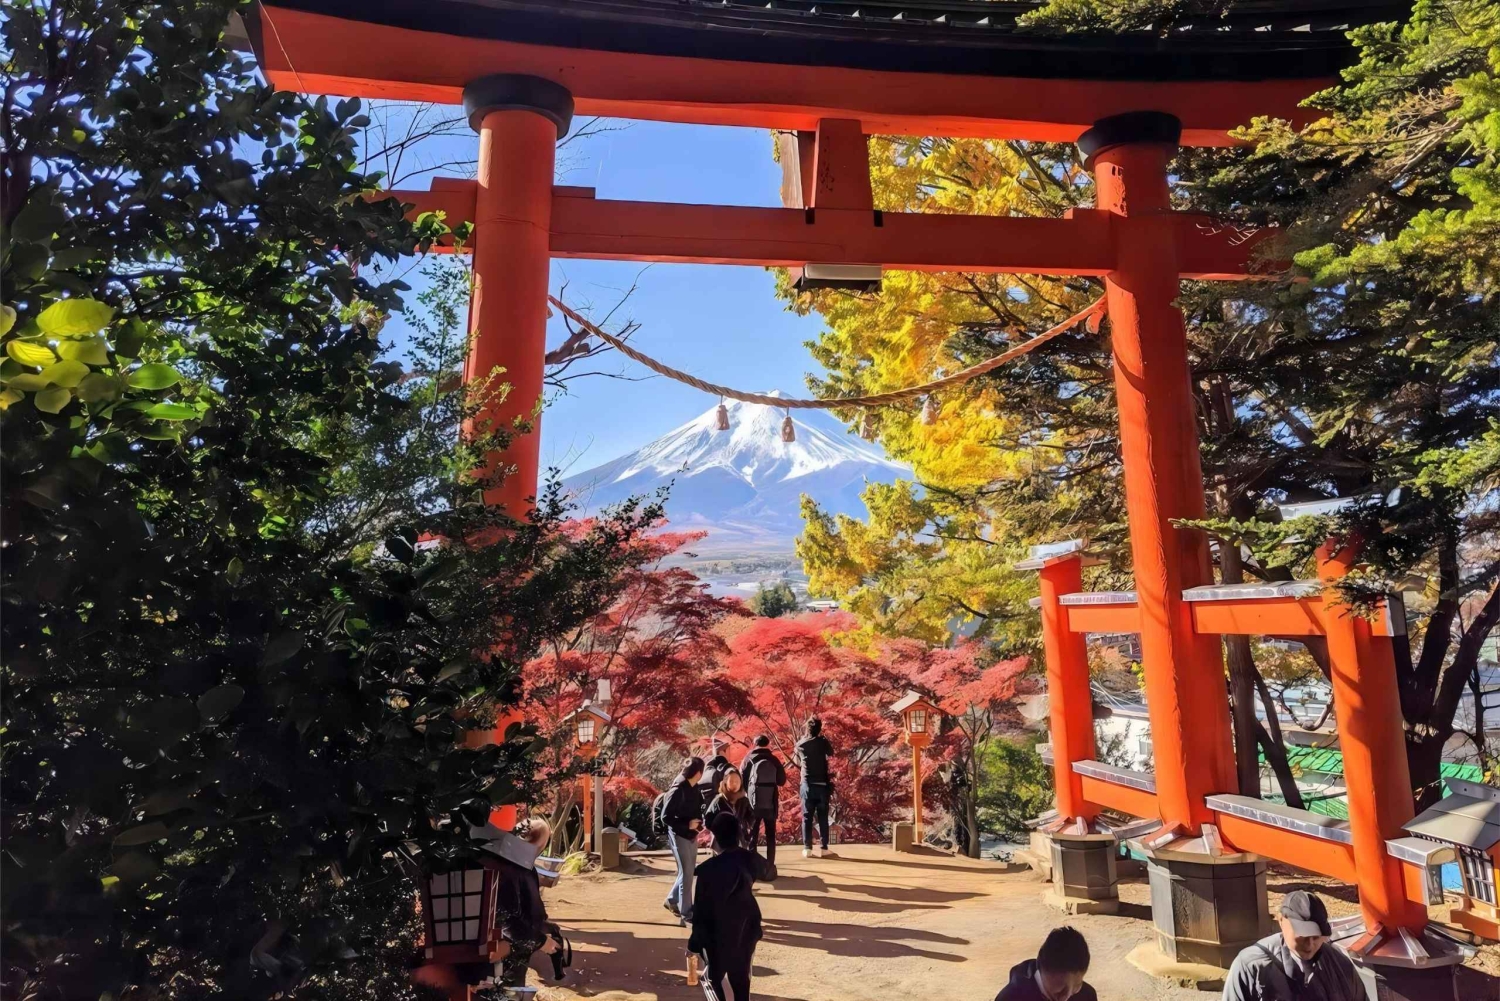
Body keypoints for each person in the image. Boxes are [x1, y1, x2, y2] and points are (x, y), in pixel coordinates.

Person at [689, 812, 772, 1001]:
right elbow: (769, 871)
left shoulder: (708, 870)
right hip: (747, 927)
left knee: (710, 979)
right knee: (740, 979)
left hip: (719, 933)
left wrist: (694, 945)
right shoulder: (749, 859)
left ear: (716, 837)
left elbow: (701, 912)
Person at [1223, 891, 1363, 1001]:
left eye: (1316, 937)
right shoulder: (1251, 966)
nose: (1310, 945)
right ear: (1281, 920)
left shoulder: (1340, 966)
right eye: (1302, 935)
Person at [484, 818, 560, 990]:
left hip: (519, 943)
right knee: (508, 989)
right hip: (504, 946)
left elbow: (530, 906)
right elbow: (506, 920)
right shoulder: (507, 868)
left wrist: (544, 926)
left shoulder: (525, 866)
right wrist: (540, 941)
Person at [994, 926, 1098, 1001]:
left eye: (1077, 986)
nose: (1065, 998)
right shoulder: (1009, 998)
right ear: (1042, 969)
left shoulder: (1087, 995)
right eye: (1060, 989)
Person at [662, 756, 705, 924]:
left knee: (687, 871)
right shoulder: (678, 789)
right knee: (687, 873)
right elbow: (666, 817)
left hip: (692, 834)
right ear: (699, 773)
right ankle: (687, 912)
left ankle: (672, 900)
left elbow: (698, 807)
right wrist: (687, 824)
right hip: (679, 834)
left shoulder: (695, 788)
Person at [739, 735, 786, 864]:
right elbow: (781, 781)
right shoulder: (774, 759)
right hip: (770, 803)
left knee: (753, 835)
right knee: (771, 836)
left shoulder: (748, 759)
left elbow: (740, 781)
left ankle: (752, 865)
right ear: (768, 744)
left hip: (753, 804)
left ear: (754, 744)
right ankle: (770, 865)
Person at [794, 717, 835, 857]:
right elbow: (831, 753)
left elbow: (796, 756)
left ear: (807, 728)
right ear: (819, 728)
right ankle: (824, 848)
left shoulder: (800, 744)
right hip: (822, 785)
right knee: (823, 816)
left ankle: (807, 848)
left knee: (807, 817)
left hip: (807, 784)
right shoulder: (823, 742)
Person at [705, 769, 754, 847]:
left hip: (740, 840)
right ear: (725, 782)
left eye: (737, 781)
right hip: (722, 842)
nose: (734, 784)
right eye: (731, 781)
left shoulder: (744, 800)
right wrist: (719, 830)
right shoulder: (719, 800)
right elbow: (708, 821)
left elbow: (752, 819)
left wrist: (747, 830)